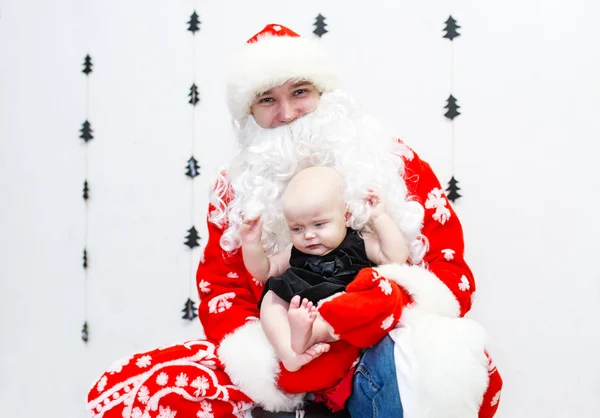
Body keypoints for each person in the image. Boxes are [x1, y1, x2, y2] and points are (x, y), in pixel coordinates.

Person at [87, 23, 503, 418]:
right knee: (142, 387)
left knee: (445, 360)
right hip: (287, 353)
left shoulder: (387, 160)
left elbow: (449, 275)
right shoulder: (235, 188)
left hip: (380, 340)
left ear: (324, 94)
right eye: (267, 99)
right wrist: (276, 353)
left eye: (299, 91)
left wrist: (366, 311)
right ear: (249, 113)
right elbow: (223, 290)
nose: (287, 113)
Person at [242, 166, 409, 372]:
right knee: (272, 298)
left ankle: (312, 333)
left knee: (370, 298)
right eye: (297, 228)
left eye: (319, 224)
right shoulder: (293, 251)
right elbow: (265, 271)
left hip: (341, 299)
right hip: (301, 299)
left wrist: (380, 217)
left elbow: (395, 257)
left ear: (346, 216)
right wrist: (251, 244)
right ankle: (289, 352)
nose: (308, 235)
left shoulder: (359, 240)